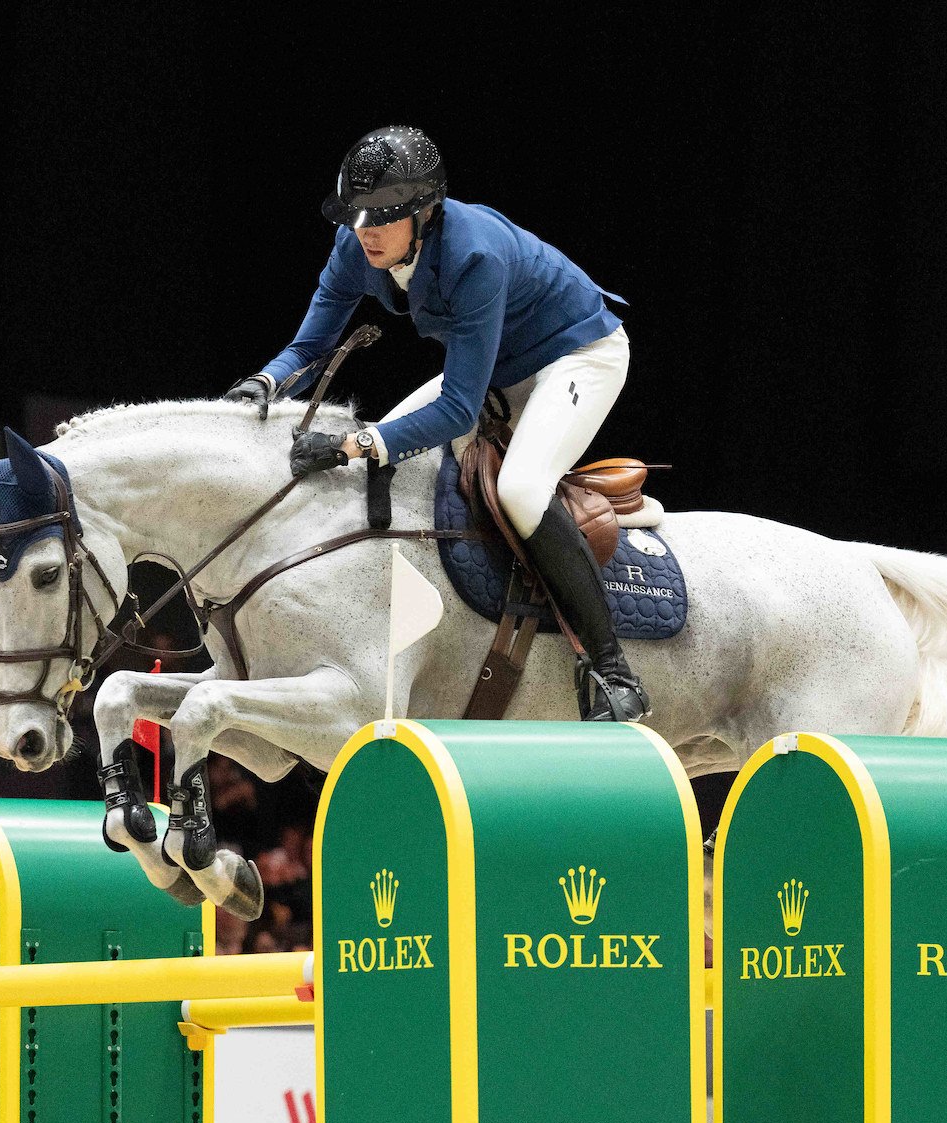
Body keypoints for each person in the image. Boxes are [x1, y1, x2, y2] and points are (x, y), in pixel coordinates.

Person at [229, 127, 645, 720]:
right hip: (500, 365)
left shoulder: (476, 255)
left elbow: (456, 409)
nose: (364, 230)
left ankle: (611, 671)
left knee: (521, 491)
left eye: (382, 216)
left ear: (425, 213)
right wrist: (262, 384)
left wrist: (351, 444)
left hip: (577, 356)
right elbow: (309, 345)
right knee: (386, 456)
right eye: (355, 214)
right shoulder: (356, 246)